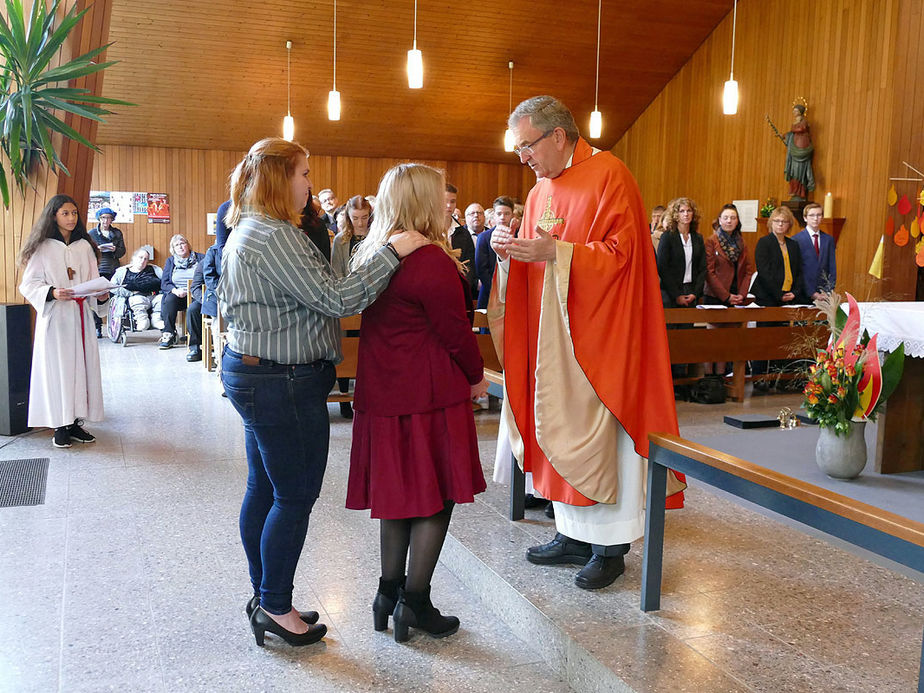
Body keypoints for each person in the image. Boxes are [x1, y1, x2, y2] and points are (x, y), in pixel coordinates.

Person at [219, 137, 426, 648]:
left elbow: (318, 289)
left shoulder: (254, 227)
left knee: (264, 489)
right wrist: (393, 253)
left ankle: (266, 593)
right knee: (293, 494)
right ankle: (274, 604)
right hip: (280, 380)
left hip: (258, 372)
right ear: (278, 179)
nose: (309, 184)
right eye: (304, 174)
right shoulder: (271, 236)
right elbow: (338, 298)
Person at [490, 96, 684, 591]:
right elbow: (538, 260)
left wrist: (556, 251)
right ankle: (570, 532)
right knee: (555, 420)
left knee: (600, 436)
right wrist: (509, 252)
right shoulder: (539, 192)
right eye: (519, 151)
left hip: (598, 335)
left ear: (558, 135)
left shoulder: (609, 175)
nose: (524, 158)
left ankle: (610, 547)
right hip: (551, 334)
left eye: (527, 146)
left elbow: (624, 257)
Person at [346, 163, 487, 642]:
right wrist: (476, 376)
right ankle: (417, 602)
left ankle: (388, 592)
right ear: (425, 203)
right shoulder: (429, 260)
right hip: (429, 396)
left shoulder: (374, 252)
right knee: (434, 498)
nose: (448, 207)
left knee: (398, 497)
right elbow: (455, 332)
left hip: (384, 393)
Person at [18, 194, 105, 449]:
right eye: (65, 213)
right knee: (59, 370)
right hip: (56, 318)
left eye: (74, 213)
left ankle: (75, 421)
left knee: (82, 369)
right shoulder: (43, 247)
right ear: (54, 215)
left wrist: (100, 293)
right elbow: (29, 283)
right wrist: (53, 292)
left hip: (79, 318)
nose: (71, 218)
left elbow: (93, 279)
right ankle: (60, 425)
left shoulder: (84, 246)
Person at [752, 206, 808, 307]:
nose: (780, 224)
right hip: (768, 296)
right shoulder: (764, 242)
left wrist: (795, 292)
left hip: (789, 295)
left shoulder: (793, 244)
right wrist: (779, 294)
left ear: (789, 224)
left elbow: (799, 271)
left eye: (784, 221)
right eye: (777, 221)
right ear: (771, 223)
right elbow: (764, 272)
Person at [656, 197, 706, 308]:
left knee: (688, 324)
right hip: (671, 292)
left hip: (691, 291)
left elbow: (702, 268)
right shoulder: (668, 237)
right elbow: (662, 267)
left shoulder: (698, 238)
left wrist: (695, 293)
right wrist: (676, 295)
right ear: (676, 215)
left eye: (689, 211)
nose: (686, 214)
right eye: (682, 211)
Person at [158, 234, 203, 350]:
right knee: (169, 300)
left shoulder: (201, 258)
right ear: (173, 249)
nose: (180, 247)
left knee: (194, 307)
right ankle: (168, 334)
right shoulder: (171, 261)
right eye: (176, 245)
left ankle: (195, 338)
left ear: (188, 245)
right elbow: (164, 283)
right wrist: (175, 290)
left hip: (196, 293)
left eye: (182, 243)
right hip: (179, 294)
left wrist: (195, 290)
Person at [88, 207, 126, 337]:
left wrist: (115, 249)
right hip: (98, 267)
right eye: (104, 217)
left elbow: (122, 252)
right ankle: (98, 327)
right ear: (99, 218)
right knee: (97, 297)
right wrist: (97, 249)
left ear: (112, 219)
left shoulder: (117, 233)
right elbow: (86, 252)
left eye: (109, 218)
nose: (106, 220)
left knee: (115, 297)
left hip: (113, 267)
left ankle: (115, 327)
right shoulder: (92, 233)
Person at [475, 196, 514, 309]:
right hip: (488, 292)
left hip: (513, 291)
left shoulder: (519, 236)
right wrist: (495, 289)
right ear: (494, 216)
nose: (502, 217)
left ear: (512, 215)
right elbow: (481, 268)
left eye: (507, 214)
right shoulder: (484, 237)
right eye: (499, 214)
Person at [111, 248, 164, 331]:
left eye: (145, 259)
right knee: (137, 300)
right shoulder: (122, 272)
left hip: (154, 295)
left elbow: (164, 283)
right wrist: (130, 293)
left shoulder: (155, 270)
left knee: (162, 298)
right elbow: (112, 287)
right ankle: (142, 320)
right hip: (135, 296)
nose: (143, 260)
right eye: (140, 257)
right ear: (134, 258)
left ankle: (156, 319)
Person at [792, 202, 836, 301]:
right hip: (804, 293)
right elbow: (797, 270)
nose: (815, 218)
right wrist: (812, 293)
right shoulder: (796, 240)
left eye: (819, 215)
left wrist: (828, 291)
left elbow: (832, 268)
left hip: (824, 294)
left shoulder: (828, 239)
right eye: (812, 215)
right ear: (805, 218)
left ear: (822, 217)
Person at [444, 183, 477, 302]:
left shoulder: (464, 233)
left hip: (458, 291)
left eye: (452, 202)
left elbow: (469, 265)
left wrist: (462, 287)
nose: (449, 205)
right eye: (445, 201)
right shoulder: (427, 230)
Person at [331, 195, 373, 279]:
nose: (360, 223)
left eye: (364, 217)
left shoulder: (376, 236)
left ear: (370, 215)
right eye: (355, 218)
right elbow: (336, 272)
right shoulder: (340, 239)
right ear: (348, 217)